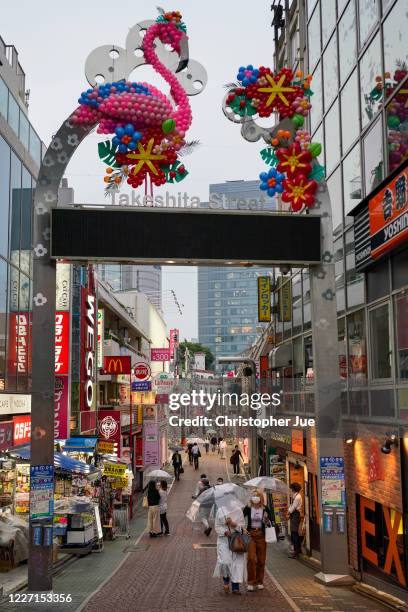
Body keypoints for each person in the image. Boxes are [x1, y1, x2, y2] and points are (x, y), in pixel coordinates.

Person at [243, 490, 273, 591]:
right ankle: (251, 582)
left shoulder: (265, 509)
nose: (255, 497)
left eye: (257, 496)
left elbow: (271, 522)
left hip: (261, 535)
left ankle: (259, 581)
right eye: (253, 496)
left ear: (261, 497)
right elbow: (240, 518)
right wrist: (243, 528)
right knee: (251, 558)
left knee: (261, 560)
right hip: (251, 535)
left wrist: (266, 520)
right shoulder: (248, 508)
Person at [213, 506, 247, 595]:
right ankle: (226, 581)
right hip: (224, 541)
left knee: (236, 563)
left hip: (236, 541)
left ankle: (235, 587)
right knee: (225, 562)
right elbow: (217, 526)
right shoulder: (220, 510)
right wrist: (225, 532)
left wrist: (233, 524)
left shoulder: (238, 510)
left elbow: (243, 527)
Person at [286, 482, 302, 558]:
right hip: (294, 514)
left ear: (293, 489)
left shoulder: (298, 497)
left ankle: (296, 552)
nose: (290, 489)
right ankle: (297, 549)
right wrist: (289, 512)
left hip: (296, 514)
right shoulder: (295, 496)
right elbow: (292, 506)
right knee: (294, 532)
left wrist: (288, 512)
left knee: (294, 533)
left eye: (291, 488)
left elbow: (294, 507)